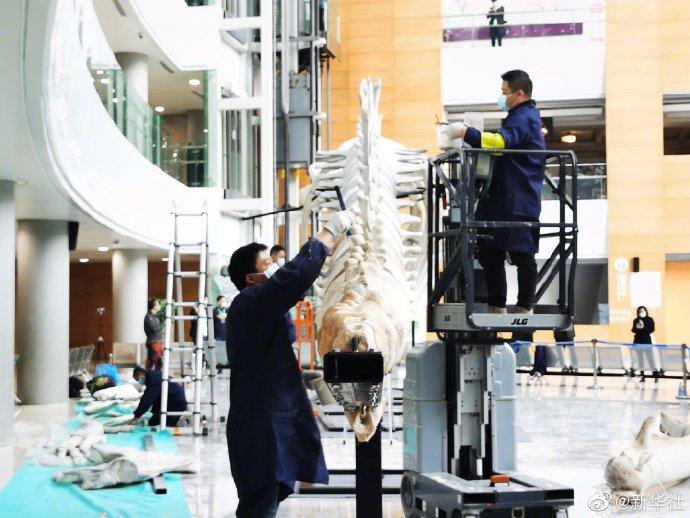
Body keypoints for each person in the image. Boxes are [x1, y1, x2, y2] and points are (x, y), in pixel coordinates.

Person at [226, 210, 356, 518]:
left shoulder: (256, 307)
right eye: (268, 264)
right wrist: (327, 234)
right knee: (261, 502)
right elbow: (293, 278)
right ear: (251, 278)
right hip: (260, 424)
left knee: (265, 497)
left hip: (263, 416)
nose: (276, 266)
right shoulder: (252, 301)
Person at [442, 70, 545, 314]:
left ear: (520, 94)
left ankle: (523, 307)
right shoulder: (520, 117)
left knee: (522, 254)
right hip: (505, 197)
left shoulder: (524, 117)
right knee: (490, 251)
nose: (502, 97)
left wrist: (466, 133)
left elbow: (501, 142)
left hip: (518, 198)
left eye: (504, 92)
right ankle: (498, 305)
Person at [631, 305, 659, 381]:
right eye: (640, 311)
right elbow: (633, 330)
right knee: (640, 359)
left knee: (650, 358)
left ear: (646, 311)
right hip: (638, 341)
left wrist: (643, 327)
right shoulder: (636, 320)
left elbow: (652, 329)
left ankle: (655, 374)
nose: (641, 312)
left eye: (642, 311)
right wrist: (636, 327)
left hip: (647, 342)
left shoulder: (650, 319)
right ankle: (642, 375)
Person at [144, 298, 163, 370]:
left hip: (158, 342)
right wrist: (162, 325)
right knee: (151, 362)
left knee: (159, 362)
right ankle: (148, 375)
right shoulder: (149, 317)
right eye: (158, 304)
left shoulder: (156, 317)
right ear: (154, 306)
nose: (159, 306)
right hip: (153, 342)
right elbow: (155, 328)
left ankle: (156, 375)